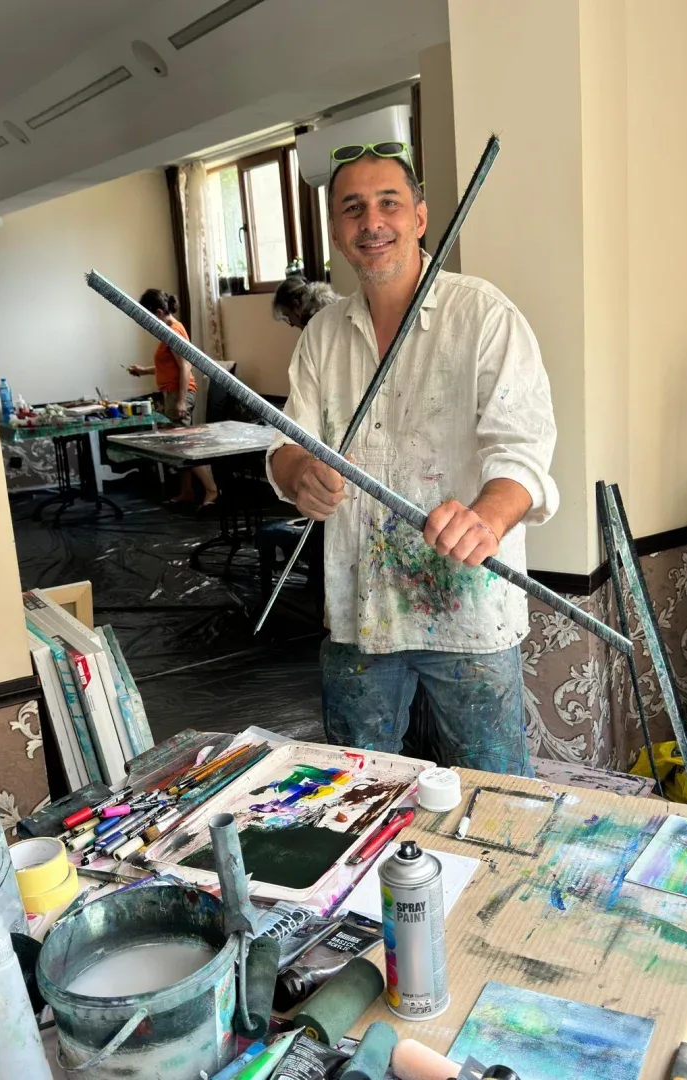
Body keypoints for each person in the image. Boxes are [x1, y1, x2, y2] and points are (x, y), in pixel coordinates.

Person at [267, 144, 559, 775]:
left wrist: (487, 517)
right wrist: (299, 475)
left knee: (495, 793)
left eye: (389, 203)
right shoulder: (322, 335)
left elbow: (524, 449)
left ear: (421, 218)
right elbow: (287, 445)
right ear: (338, 231)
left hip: (469, 611)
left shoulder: (482, 314)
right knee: (355, 791)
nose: (372, 222)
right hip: (360, 611)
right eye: (353, 208)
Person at [129, 289, 218, 511]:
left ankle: (211, 490)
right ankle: (187, 492)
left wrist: (181, 401)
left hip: (179, 393)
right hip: (172, 393)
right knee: (180, 445)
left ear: (159, 313)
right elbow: (168, 366)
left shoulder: (173, 331)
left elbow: (185, 366)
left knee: (183, 445)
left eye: (148, 317)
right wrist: (143, 371)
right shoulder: (169, 330)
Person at [272, 275, 340, 330]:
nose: (291, 325)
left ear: (296, 306)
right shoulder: (334, 309)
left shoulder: (318, 330)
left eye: (288, 316)